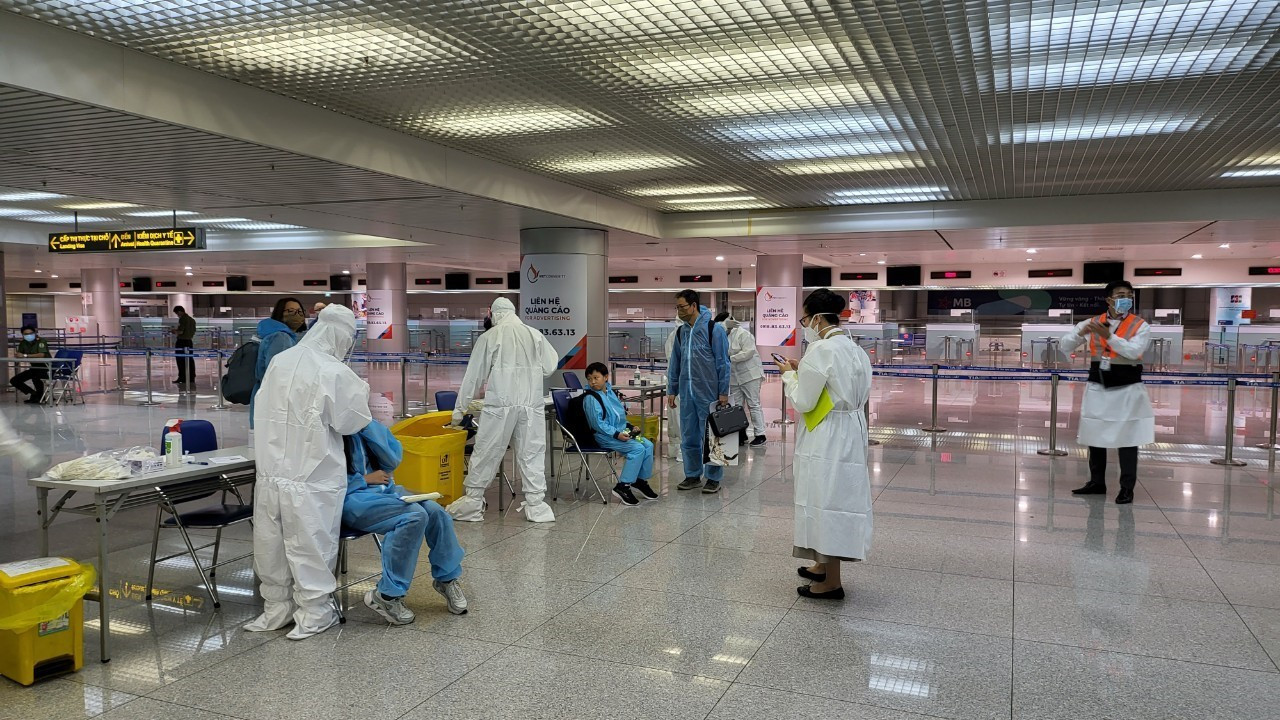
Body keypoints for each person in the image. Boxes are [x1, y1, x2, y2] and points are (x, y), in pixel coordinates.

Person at [245, 304, 373, 640]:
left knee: (271, 544)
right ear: (341, 336)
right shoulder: (333, 370)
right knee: (311, 545)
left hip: (271, 472)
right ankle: (315, 613)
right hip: (312, 475)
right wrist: (362, 389)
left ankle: (276, 609)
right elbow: (351, 421)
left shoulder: (281, 361)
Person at [774, 289, 872, 600]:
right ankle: (821, 563)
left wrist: (789, 376)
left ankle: (832, 583)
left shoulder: (820, 350)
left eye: (804, 319)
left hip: (826, 433)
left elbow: (804, 401)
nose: (804, 326)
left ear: (817, 318)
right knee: (834, 497)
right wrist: (801, 370)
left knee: (824, 499)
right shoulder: (855, 349)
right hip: (850, 430)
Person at [445, 297, 558, 523]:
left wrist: (459, 411)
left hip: (500, 405)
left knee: (487, 450)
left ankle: (473, 502)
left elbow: (473, 377)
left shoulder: (490, 336)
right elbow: (550, 366)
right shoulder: (535, 335)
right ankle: (537, 506)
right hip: (530, 405)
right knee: (532, 452)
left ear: (494, 313)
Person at [342, 421, 468, 623]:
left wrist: (366, 426)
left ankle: (447, 579)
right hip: (351, 499)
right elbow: (321, 481)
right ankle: (388, 595)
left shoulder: (366, 425)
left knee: (437, 513)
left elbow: (392, 460)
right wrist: (363, 479)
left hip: (385, 491)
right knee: (414, 516)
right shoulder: (328, 430)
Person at [1060, 280, 1154, 505]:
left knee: (1128, 438)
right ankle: (1097, 482)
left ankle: (1127, 487)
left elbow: (1134, 351)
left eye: (1129, 295)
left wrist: (1109, 336)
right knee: (1095, 434)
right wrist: (1079, 333)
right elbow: (1065, 345)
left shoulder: (1140, 325)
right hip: (1099, 387)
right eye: (1121, 295)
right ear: (1109, 299)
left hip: (1127, 389)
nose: (1126, 299)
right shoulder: (1092, 323)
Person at [667, 290, 731, 493]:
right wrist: (672, 389)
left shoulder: (714, 330)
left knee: (713, 436)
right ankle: (693, 475)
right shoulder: (681, 332)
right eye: (677, 307)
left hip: (709, 393)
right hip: (687, 394)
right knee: (689, 436)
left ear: (693, 305)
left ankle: (713, 477)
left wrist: (723, 392)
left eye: (682, 307)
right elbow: (675, 362)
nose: (679, 311)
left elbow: (723, 363)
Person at [582, 362, 657, 506]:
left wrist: (630, 427)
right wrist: (617, 434)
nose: (592, 382)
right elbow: (598, 424)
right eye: (589, 379)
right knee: (637, 449)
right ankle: (623, 486)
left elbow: (619, 416)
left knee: (647, 445)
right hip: (604, 436)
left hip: (621, 431)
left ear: (605, 377)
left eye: (596, 378)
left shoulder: (610, 393)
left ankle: (639, 480)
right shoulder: (591, 398)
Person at [249, 297, 305, 430]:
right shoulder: (281, 338)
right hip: (275, 402)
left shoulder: (278, 335)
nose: (296, 315)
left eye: (300, 311)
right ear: (280, 313)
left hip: (269, 399)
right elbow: (278, 375)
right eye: (291, 311)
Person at [715, 312, 767, 448]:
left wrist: (729, 358)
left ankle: (760, 434)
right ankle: (740, 433)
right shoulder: (722, 336)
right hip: (734, 377)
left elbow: (748, 352)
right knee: (736, 406)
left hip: (750, 375)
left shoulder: (743, 334)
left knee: (753, 404)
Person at [10, 325, 50, 404]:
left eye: (31, 333)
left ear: (35, 333)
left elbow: (41, 355)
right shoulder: (23, 343)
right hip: (34, 367)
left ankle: (39, 397)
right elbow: (19, 353)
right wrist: (18, 355)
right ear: (23, 335)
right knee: (14, 380)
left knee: (36, 377)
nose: (29, 335)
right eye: (26, 334)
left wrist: (25, 355)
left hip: (45, 367)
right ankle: (33, 393)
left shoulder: (41, 341)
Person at [171, 305, 196, 387]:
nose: (177, 315)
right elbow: (193, 331)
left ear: (179, 311)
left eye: (177, 313)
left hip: (182, 342)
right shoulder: (192, 320)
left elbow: (181, 331)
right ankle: (191, 377)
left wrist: (174, 331)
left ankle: (182, 377)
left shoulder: (183, 319)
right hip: (189, 342)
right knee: (190, 360)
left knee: (180, 360)